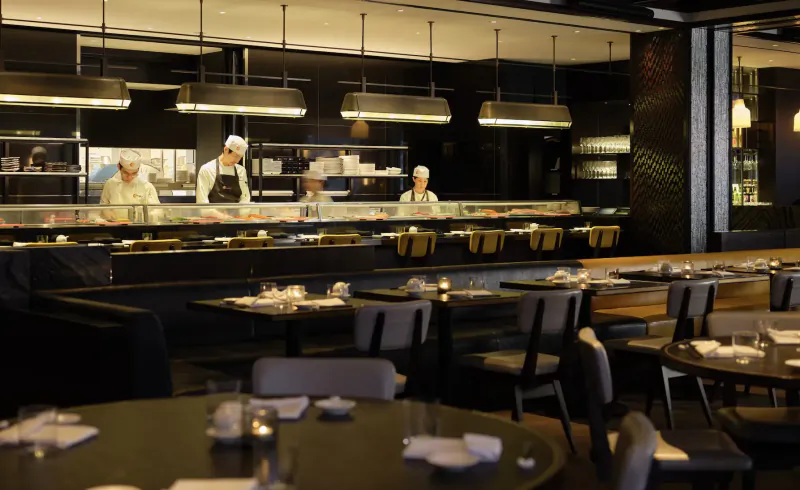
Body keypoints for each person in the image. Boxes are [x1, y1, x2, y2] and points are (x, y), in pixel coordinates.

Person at [99, 149, 160, 220]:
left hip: (138, 227)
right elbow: (103, 206)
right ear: (119, 166)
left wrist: (145, 216)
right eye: (126, 173)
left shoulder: (147, 187)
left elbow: (157, 211)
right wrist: (107, 213)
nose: (130, 177)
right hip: (115, 227)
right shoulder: (110, 184)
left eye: (134, 173)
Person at [196, 135, 250, 204]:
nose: (237, 161)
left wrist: (241, 214)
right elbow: (202, 202)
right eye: (235, 156)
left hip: (236, 214)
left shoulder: (241, 170)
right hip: (212, 214)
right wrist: (222, 215)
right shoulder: (207, 169)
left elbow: (245, 199)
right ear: (226, 150)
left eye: (240, 157)